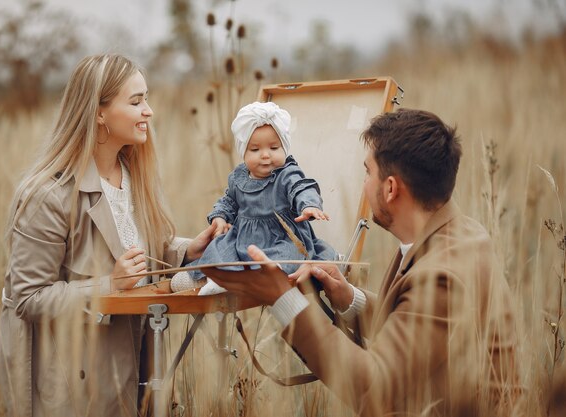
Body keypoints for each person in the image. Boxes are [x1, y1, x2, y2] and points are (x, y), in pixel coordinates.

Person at [203, 109, 521, 416]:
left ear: (392, 188)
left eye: (367, 172)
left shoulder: (444, 273)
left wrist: (282, 300)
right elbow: (416, 332)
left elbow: (374, 387)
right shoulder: (453, 233)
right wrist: (348, 298)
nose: (363, 184)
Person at [0, 54, 215, 417]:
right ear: (98, 112)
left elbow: (144, 248)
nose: (149, 111)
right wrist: (108, 285)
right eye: (136, 101)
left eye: (146, 98)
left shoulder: (135, 174)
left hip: (141, 368)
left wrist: (187, 250)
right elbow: (27, 298)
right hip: (76, 384)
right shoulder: (46, 195)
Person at [170, 101, 336, 295]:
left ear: (284, 148)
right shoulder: (239, 177)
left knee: (288, 256)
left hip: (281, 237)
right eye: (255, 150)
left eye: (274, 148)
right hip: (243, 239)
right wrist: (220, 218)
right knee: (219, 248)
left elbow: (301, 187)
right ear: (244, 152)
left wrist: (308, 205)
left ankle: (255, 277)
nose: (265, 155)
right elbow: (228, 201)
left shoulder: (286, 174)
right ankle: (213, 277)